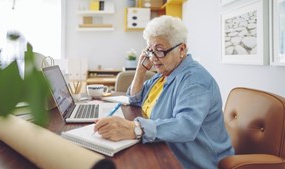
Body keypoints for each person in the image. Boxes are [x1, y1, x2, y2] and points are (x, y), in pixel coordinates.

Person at [94, 15, 234, 169]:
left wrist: (134, 128)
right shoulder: (163, 74)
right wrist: (140, 71)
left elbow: (185, 126)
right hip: (164, 149)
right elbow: (134, 98)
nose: (153, 58)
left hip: (193, 161)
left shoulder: (194, 80)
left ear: (181, 49)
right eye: (150, 51)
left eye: (159, 51)